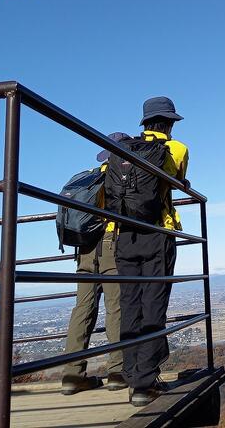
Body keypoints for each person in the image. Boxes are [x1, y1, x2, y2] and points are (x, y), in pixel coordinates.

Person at [110, 97, 188, 406]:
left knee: (130, 305)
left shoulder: (122, 151)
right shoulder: (176, 148)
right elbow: (178, 182)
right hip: (156, 234)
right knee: (154, 305)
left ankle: (132, 375)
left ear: (145, 123)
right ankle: (144, 384)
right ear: (169, 123)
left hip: (124, 235)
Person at [61, 132, 131, 395]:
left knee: (82, 308)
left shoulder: (88, 177)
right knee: (116, 307)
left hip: (84, 248)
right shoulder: (121, 175)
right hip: (111, 243)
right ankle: (117, 372)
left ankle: (72, 375)